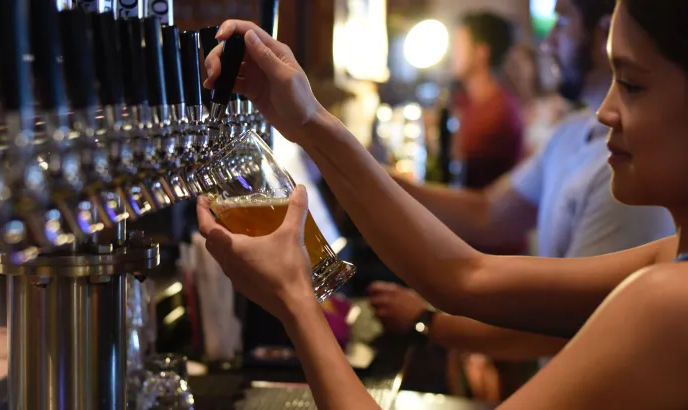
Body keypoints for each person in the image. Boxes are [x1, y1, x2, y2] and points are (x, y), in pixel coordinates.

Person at [197, 0, 688, 406]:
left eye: (633, 84)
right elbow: (463, 276)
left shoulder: (668, 301)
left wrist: (294, 301)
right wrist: (307, 122)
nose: (606, 110)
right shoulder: (667, 261)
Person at [371, 0, 673, 364]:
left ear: (604, 30)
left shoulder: (631, 171)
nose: (547, 44)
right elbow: (487, 212)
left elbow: (572, 325)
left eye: (562, 22)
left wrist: (428, 321)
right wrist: (373, 175)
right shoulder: (572, 132)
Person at [448, 12, 524, 191]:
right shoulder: (463, 99)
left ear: (481, 52)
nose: (452, 53)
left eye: (459, 45)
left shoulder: (500, 112)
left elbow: (457, 159)